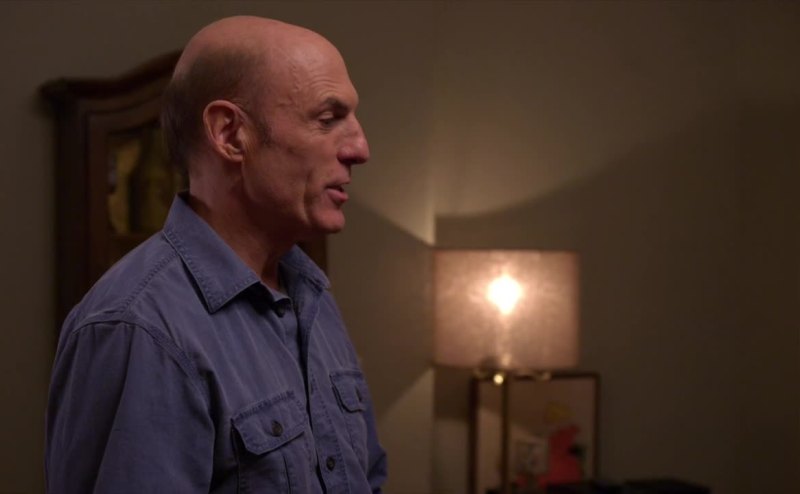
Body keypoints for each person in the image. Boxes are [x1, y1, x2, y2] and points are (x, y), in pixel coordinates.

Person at [45, 16, 386, 493]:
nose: (360, 148)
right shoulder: (139, 327)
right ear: (229, 134)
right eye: (328, 119)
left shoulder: (311, 296)